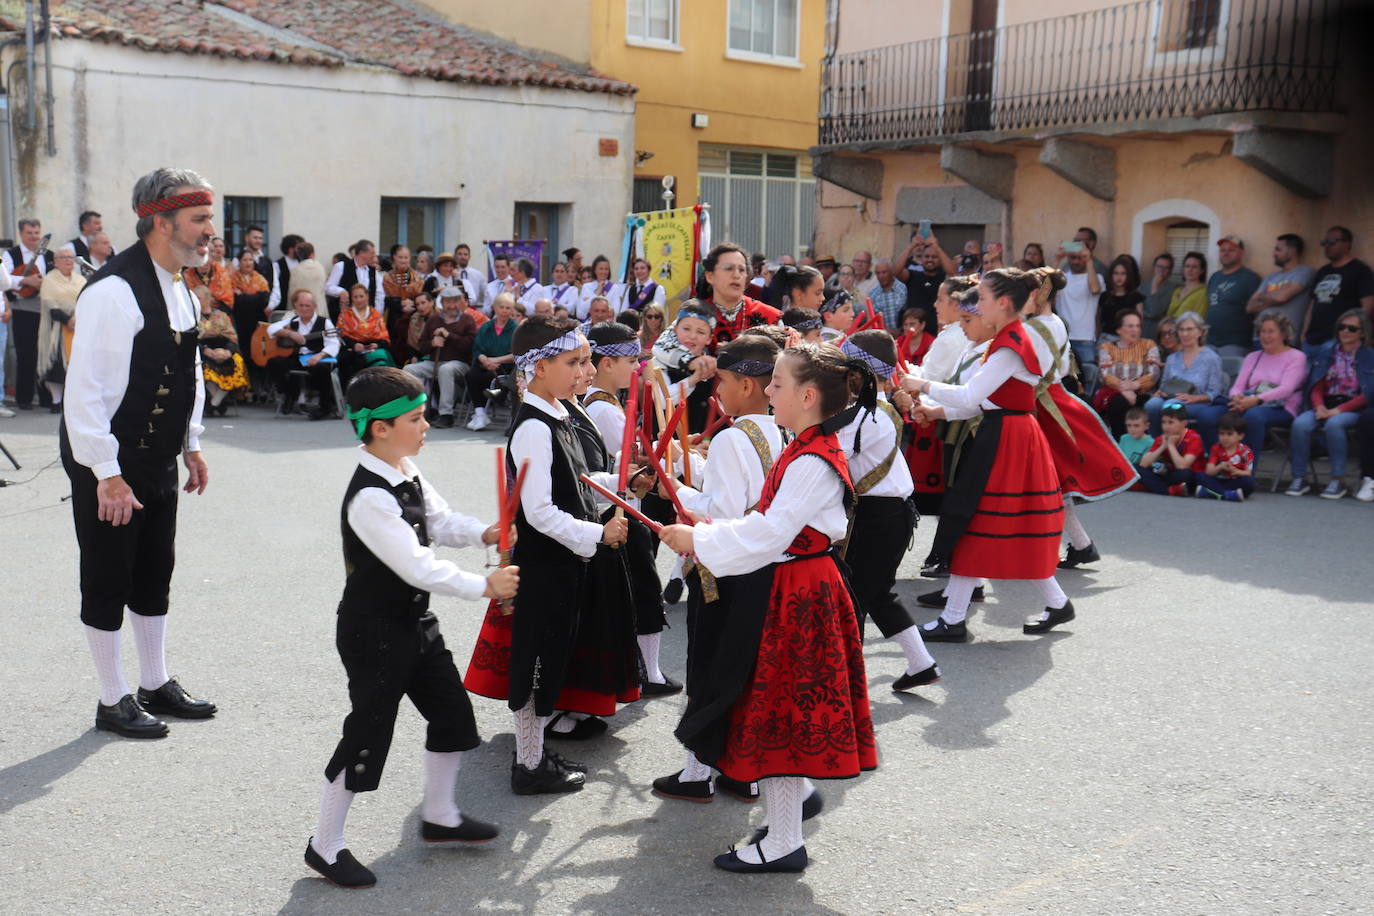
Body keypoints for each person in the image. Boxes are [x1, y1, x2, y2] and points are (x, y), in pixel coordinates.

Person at [658, 342, 876, 874]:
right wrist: (706, 531)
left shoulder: (813, 458)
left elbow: (771, 531)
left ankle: (784, 841)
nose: (768, 391)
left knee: (780, 714)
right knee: (775, 712)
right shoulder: (803, 446)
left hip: (800, 592)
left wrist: (698, 540)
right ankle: (784, 829)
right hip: (792, 586)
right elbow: (763, 523)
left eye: (776, 384)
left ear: (806, 395)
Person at [305, 367, 515, 889]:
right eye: (416, 419)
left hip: (414, 621)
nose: (427, 427)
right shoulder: (370, 497)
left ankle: (440, 817)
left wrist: (484, 531)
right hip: (372, 630)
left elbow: (440, 521)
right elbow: (418, 567)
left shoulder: (404, 469)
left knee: (451, 714)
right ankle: (324, 845)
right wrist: (484, 587)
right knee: (368, 733)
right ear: (379, 428)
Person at [60, 166, 217, 739]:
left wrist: (191, 442)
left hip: (155, 458)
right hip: (108, 463)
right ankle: (111, 699)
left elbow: (188, 370)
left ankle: (154, 681)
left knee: (156, 567)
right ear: (159, 220)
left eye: (208, 219)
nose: (209, 231)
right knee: (108, 574)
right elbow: (86, 396)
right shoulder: (113, 291)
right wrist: (106, 473)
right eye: (199, 219)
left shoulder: (182, 287)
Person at [465, 316, 629, 794]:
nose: (589, 370)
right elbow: (538, 512)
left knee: (551, 658)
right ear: (537, 367)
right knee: (535, 664)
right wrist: (597, 535)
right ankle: (529, 765)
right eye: (575, 362)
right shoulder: (535, 428)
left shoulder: (561, 415)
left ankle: (533, 754)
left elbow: (576, 483)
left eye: (586, 360)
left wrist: (619, 492)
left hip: (562, 563)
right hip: (543, 566)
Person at [904, 269, 1073, 642]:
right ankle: (1055, 603)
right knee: (987, 524)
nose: (975, 306)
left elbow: (970, 397)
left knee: (978, 522)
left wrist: (923, 385)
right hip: (1004, 434)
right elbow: (982, 401)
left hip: (1009, 440)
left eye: (980, 299)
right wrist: (936, 411)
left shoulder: (1012, 343)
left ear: (1003, 303)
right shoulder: (1007, 339)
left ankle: (953, 618)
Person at [651, 334, 785, 805]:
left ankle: (697, 772)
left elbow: (722, 515)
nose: (715, 391)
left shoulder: (733, 437)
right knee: (744, 670)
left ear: (748, 385)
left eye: (723, 381)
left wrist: (677, 493)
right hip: (769, 568)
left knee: (709, 665)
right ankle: (743, 771)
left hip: (726, 569)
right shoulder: (782, 430)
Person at [835, 331, 940, 688]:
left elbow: (831, 459)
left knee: (853, 602)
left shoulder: (860, 415)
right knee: (877, 593)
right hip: (892, 514)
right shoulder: (879, 408)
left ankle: (850, 688)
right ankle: (921, 663)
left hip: (877, 518)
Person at [579, 322, 674, 698]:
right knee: (644, 589)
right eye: (629, 360)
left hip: (620, 507)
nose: (636, 367)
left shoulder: (604, 404)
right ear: (604, 363)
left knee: (636, 589)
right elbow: (626, 460)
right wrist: (658, 465)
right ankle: (647, 672)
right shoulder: (605, 410)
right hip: (619, 512)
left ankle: (644, 669)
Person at [1020, 267, 1138, 568]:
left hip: (1042, 405)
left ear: (1040, 293)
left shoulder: (1036, 328)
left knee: (1046, 480)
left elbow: (1036, 374)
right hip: (1054, 399)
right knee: (1054, 480)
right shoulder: (1053, 321)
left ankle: (1042, 547)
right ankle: (1080, 544)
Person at [1285, 309, 1374, 499]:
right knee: (1300, 424)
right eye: (1342, 327)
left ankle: (1337, 479)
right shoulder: (1328, 350)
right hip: (1324, 404)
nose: (1345, 332)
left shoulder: (1369, 356)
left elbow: (1368, 394)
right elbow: (1316, 384)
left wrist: (1338, 410)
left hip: (1352, 406)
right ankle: (1300, 477)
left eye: (1351, 328)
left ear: (1363, 333)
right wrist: (1319, 406)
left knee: (1335, 425)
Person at [652, 243, 781, 370]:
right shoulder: (695, 313)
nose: (736, 275)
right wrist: (693, 362)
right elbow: (661, 347)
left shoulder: (770, 316)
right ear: (710, 276)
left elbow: (789, 358)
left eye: (741, 270)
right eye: (728, 268)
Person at [1194, 310, 1306, 454]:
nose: (1265, 336)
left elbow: (1287, 389)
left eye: (1271, 331)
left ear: (1283, 334)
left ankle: (1245, 470)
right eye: (1262, 332)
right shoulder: (1253, 356)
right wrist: (1237, 397)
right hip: (1247, 404)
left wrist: (1256, 400)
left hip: (1281, 407)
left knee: (1253, 417)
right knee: (1207, 415)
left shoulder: (1296, 357)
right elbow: (1238, 386)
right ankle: (1215, 460)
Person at [404, 287, 476, 428]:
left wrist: (449, 336)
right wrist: (432, 342)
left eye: (455, 301)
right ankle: (422, 409)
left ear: (460, 302)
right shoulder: (434, 320)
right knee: (409, 369)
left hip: (459, 363)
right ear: (442, 303)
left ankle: (446, 414)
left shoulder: (467, 320)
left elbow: (469, 346)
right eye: (448, 302)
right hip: (434, 362)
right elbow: (422, 345)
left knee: (446, 369)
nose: (452, 306)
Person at [1144, 311, 1224, 437]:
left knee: (1170, 406)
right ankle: (1155, 444)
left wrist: (1194, 398)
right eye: (1181, 330)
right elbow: (1165, 384)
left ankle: (1174, 445)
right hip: (1171, 398)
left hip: (1197, 403)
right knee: (1152, 405)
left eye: (1190, 329)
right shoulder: (1172, 358)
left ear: (1201, 332)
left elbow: (1215, 392)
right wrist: (1160, 393)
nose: (1185, 334)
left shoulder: (1211, 358)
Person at [3, 218, 54, 410]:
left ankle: (46, 398)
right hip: (23, 309)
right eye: (29, 233)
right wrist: (26, 281)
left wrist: (45, 283)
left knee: (46, 354)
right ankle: (24, 399)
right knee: (26, 354)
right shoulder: (11, 255)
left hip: (45, 309)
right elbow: (4, 279)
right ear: (21, 234)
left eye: (36, 233)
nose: (33, 237)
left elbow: (56, 277)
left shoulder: (49, 255)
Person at [266, 290, 339, 419]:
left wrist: (319, 356)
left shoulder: (325, 322)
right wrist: (290, 334)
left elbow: (333, 344)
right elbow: (270, 328)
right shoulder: (293, 321)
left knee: (321, 369)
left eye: (307, 305)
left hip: (317, 359)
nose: (304, 309)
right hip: (297, 358)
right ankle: (289, 393)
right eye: (301, 305)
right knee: (274, 362)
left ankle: (325, 407)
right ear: (296, 307)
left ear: (314, 307)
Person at [1303, 226, 1374, 353]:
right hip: (1312, 341)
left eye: (1332, 242)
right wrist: (1304, 334)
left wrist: (1351, 334)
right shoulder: (1323, 271)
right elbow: (1313, 304)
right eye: (1324, 243)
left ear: (1347, 243)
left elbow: (1368, 305)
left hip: (1338, 342)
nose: (1327, 246)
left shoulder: (1360, 270)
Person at [1095, 309, 1160, 438]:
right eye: (1130, 326)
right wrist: (1123, 389)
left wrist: (1135, 385)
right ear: (1119, 329)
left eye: (1137, 326)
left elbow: (1154, 373)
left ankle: (1144, 447)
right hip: (1116, 392)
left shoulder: (1149, 345)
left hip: (1143, 391)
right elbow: (1105, 374)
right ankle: (1120, 445)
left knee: (1149, 403)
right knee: (1118, 403)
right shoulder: (1107, 347)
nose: (1135, 330)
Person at [37, 244, 86, 412]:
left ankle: (71, 400)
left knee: (76, 365)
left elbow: (86, 300)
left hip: (79, 326)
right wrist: (67, 319)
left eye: (71, 258)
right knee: (55, 365)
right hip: (56, 327)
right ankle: (56, 400)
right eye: (64, 258)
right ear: (55, 262)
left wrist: (77, 318)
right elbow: (50, 303)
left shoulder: (81, 280)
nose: (68, 261)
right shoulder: (50, 280)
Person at [464, 292, 518, 431]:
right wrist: (484, 359)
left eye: (508, 307)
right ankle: (480, 413)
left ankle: (482, 413)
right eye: (502, 307)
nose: (505, 310)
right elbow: (477, 348)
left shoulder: (515, 328)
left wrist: (496, 360)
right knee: (471, 375)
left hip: (503, 367)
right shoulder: (486, 326)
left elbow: (517, 353)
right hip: (484, 363)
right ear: (494, 307)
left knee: (488, 377)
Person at [195, 281, 250, 416]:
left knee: (237, 362)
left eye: (199, 298)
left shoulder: (221, 315)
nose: (195, 301)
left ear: (208, 299)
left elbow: (232, 337)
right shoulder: (192, 317)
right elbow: (193, 339)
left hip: (223, 349)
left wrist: (227, 351)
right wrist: (206, 350)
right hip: (203, 350)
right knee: (202, 367)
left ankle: (214, 403)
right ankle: (219, 401)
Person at [1055, 242, 1103, 387]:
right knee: (1063, 382)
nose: (1076, 261)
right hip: (1063, 338)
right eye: (1072, 257)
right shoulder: (1062, 277)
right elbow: (1046, 288)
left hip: (1086, 339)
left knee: (1087, 381)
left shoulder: (1096, 277)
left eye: (1079, 258)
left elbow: (1095, 289)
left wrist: (1088, 260)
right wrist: (1057, 259)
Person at [1247, 234, 1314, 337]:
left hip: (1284, 339)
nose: (1274, 254)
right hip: (1260, 337)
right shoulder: (1270, 277)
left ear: (1292, 251)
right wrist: (1273, 297)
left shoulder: (1304, 272)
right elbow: (1250, 307)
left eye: (1278, 250)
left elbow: (1281, 297)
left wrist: (1263, 297)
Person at [1206, 236, 1263, 357]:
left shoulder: (1250, 278)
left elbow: (1259, 311)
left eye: (1231, 250)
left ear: (1242, 253)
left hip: (1236, 345)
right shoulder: (1214, 277)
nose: (1226, 253)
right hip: (1210, 343)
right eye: (1222, 250)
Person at [1137, 402, 1203, 495]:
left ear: (1184, 423)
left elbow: (1183, 466)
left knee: (1185, 474)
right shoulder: (1162, 438)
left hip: (1187, 476)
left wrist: (1171, 445)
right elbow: (1144, 464)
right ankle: (1170, 490)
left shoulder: (1194, 438)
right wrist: (1163, 446)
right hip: (1168, 474)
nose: (1166, 426)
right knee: (1136, 469)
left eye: (1170, 422)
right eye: (1163, 422)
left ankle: (1156, 487)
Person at [337, 283, 394, 387]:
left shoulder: (376, 314)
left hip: (374, 348)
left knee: (382, 356)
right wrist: (354, 345)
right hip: (353, 350)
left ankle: (383, 387)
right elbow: (341, 336)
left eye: (361, 296)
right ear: (351, 298)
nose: (359, 300)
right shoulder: (344, 315)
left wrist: (376, 345)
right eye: (355, 297)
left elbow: (384, 337)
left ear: (367, 297)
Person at [1195, 412, 1256, 501]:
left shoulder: (1245, 451)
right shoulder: (1216, 448)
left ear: (1240, 436)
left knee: (1248, 482)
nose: (1225, 437)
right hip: (1218, 480)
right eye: (1221, 433)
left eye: (1229, 434)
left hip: (1235, 481)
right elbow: (1209, 471)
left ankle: (1212, 493)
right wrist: (1220, 466)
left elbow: (1248, 473)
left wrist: (1236, 471)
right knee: (1200, 476)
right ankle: (1226, 495)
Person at [382, 245, 425, 363]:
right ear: (394, 258)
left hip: (414, 315)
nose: (403, 260)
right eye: (400, 257)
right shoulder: (387, 277)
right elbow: (386, 298)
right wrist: (401, 304)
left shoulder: (418, 277)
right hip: (394, 316)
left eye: (406, 257)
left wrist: (412, 303)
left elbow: (421, 296)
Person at [326, 240, 385, 321]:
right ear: (362, 253)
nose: (374, 256)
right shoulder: (341, 266)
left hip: (366, 318)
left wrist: (377, 314)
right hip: (343, 318)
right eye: (372, 253)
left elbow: (379, 295)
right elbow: (328, 287)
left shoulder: (373, 272)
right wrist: (341, 291)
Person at [1096, 255, 1144, 340]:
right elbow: (1098, 321)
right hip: (1106, 339)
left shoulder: (1136, 297)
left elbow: (1140, 323)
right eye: (1116, 273)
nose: (1119, 277)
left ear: (1128, 275)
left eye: (1123, 273)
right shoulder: (1104, 296)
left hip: (1128, 339)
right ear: (1111, 275)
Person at [1141, 253, 1178, 340]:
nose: (1162, 270)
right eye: (1159, 266)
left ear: (1170, 271)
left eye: (1166, 268)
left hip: (1160, 336)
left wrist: (1154, 286)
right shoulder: (1143, 286)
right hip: (1142, 334)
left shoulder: (1173, 289)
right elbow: (1137, 312)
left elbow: (1155, 312)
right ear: (1154, 267)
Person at [287, 242, 327, 320]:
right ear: (312, 254)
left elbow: (292, 293)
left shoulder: (296, 270)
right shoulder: (320, 267)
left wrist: (290, 308)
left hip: (301, 309)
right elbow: (323, 287)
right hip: (319, 308)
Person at [1167, 251, 1209, 319]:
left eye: (1194, 267)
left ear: (1202, 271)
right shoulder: (1177, 291)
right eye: (1187, 266)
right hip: (1171, 328)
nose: (1190, 270)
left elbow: (1199, 318)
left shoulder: (1203, 293)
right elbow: (1169, 314)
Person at [868, 258, 907, 329]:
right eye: (878, 273)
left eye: (884, 272)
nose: (881, 276)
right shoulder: (873, 294)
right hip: (883, 336)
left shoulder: (903, 288)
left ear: (891, 272)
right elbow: (873, 320)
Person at [578, 255, 620, 320]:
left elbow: (615, 311)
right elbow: (581, 312)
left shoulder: (614, 288)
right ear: (594, 270)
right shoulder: (587, 287)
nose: (604, 272)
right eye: (601, 269)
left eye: (606, 269)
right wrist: (597, 293)